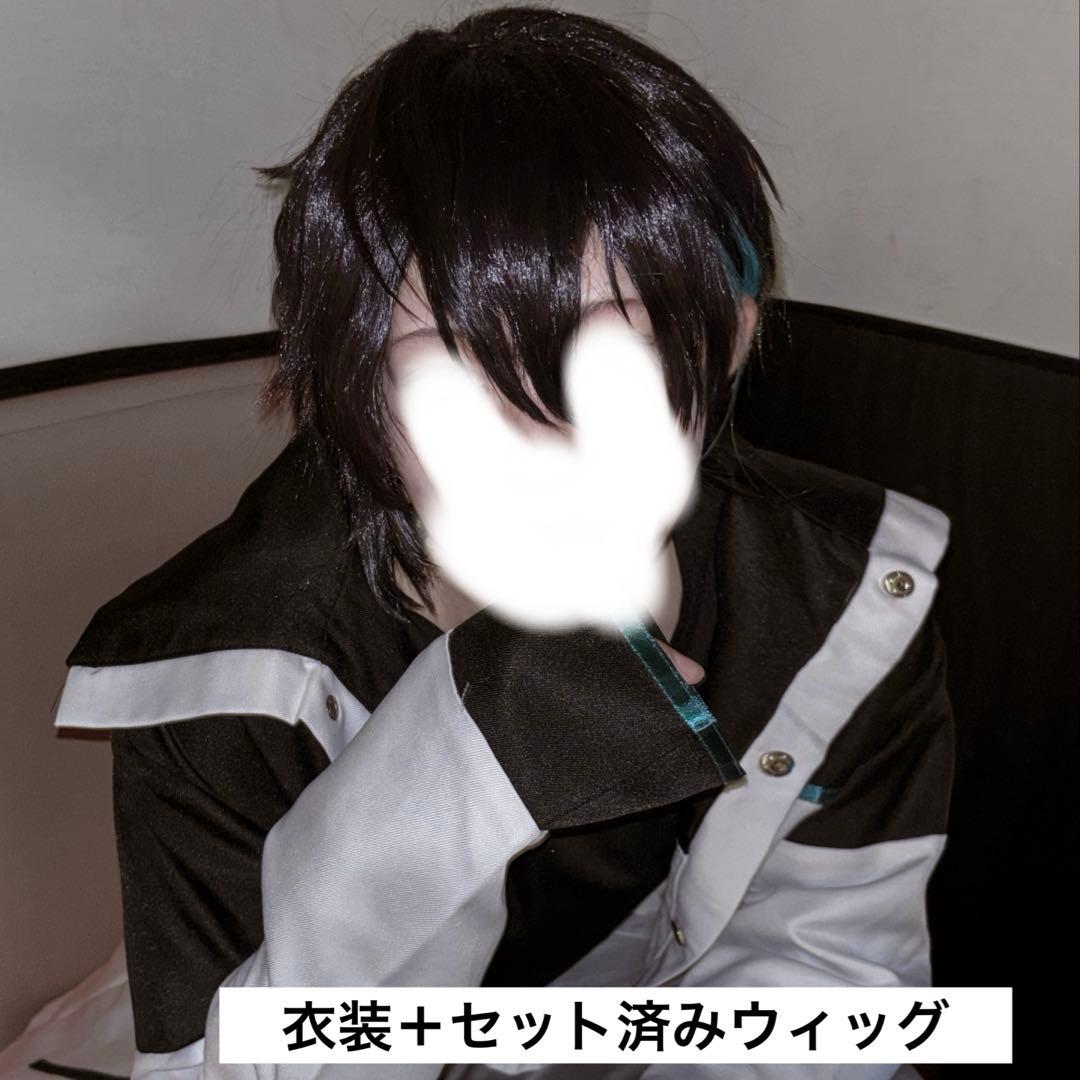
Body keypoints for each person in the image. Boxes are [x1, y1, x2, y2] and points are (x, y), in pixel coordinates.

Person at [29, 6, 954, 1079]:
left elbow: (831, 984)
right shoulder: (219, 667)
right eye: (443, 359)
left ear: (728, 340)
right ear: (349, 386)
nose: (537, 432)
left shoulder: (842, 594)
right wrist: (473, 750)